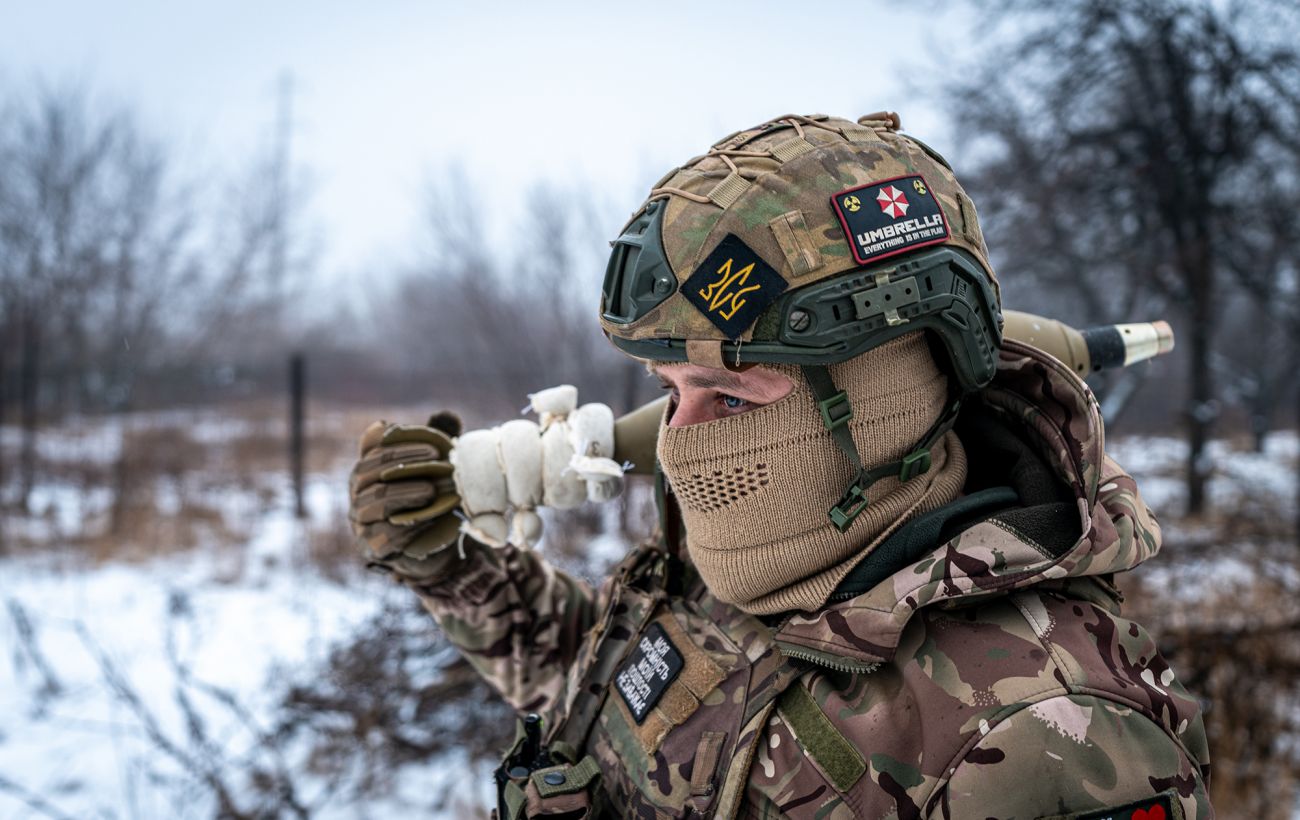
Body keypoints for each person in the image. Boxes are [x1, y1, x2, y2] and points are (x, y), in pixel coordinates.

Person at [349, 113, 1212, 819]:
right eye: (668, 390)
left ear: (888, 398)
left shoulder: (1039, 739)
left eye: (728, 396)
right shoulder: (771, 544)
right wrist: (448, 566)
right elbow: (631, 694)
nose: (680, 443)